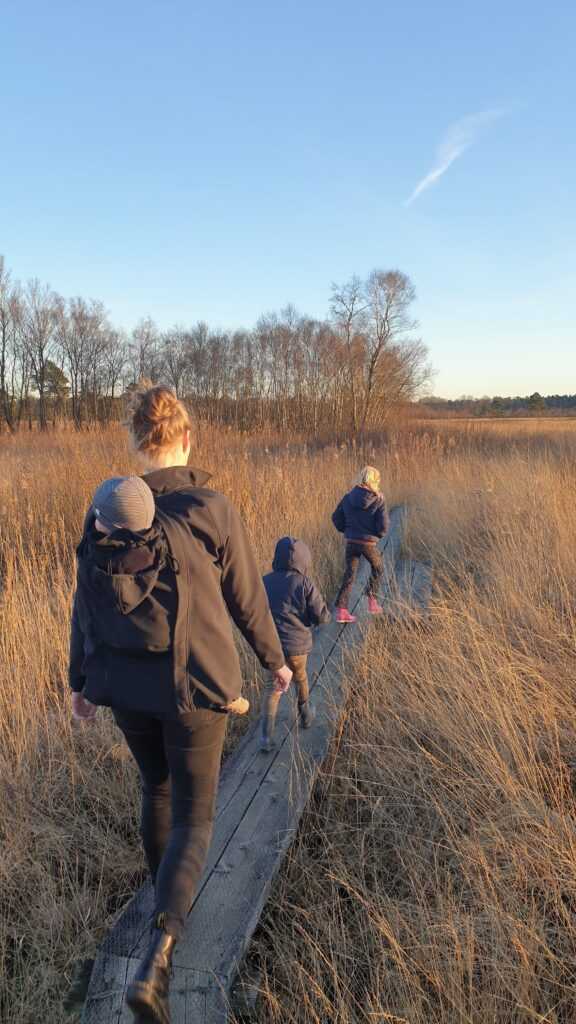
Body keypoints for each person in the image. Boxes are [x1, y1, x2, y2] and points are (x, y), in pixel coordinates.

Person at [69, 385, 292, 1024]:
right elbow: (249, 596)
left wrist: (78, 684)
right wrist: (275, 662)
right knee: (196, 814)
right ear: (187, 438)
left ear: (135, 443)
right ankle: (162, 950)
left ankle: (163, 893)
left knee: (156, 792)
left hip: (126, 691)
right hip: (196, 689)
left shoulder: (107, 515)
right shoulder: (210, 507)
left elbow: (82, 605)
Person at [259, 537, 331, 752]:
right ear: (303, 560)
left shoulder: (264, 581)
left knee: (273, 689)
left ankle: (265, 737)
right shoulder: (304, 583)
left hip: (271, 646)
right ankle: (306, 715)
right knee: (300, 678)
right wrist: (314, 620)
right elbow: (321, 616)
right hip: (297, 647)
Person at [332, 465, 389, 624]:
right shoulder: (378, 499)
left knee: (350, 574)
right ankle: (372, 602)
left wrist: (347, 530)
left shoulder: (348, 496)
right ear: (373, 480)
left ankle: (342, 612)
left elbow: (335, 518)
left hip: (351, 542)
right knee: (378, 568)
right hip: (368, 543)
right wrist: (377, 535)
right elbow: (384, 526)